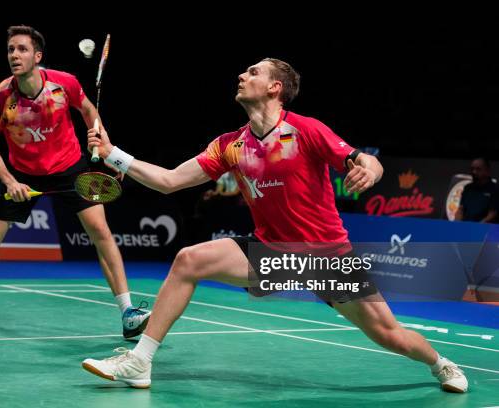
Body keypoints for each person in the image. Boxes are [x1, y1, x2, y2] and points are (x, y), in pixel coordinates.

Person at [81, 58, 468, 392]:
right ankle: (139, 361)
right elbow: (168, 181)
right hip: (272, 252)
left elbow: (363, 160)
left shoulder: (306, 129)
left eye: (253, 72)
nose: (242, 76)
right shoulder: (230, 144)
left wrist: (371, 169)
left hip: (326, 257)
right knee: (188, 260)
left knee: (389, 334)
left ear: (274, 87)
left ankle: (440, 363)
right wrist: (113, 154)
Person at [0, 25, 151, 339]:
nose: (14, 55)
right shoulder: (1, 99)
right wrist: (10, 181)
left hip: (69, 167)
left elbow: (89, 111)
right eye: (11, 49)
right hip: (22, 172)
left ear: (37, 56)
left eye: (22, 49)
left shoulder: (63, 84)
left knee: (101, 232)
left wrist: (102, 144)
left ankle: (128, 311)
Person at [455, 158, 498, 223]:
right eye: (472, 169)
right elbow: (461, 209)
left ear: (487, 171)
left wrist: (477, 227)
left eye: (478, 169)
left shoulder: (495, 189)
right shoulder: (467, 188)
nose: (474, 172)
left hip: (485, 229)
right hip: (465, 227)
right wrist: (457, 224)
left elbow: (492, 214)